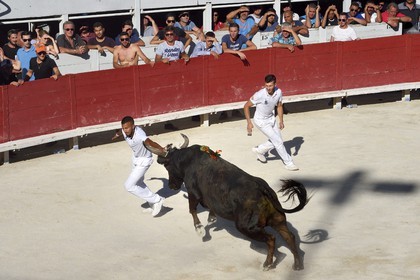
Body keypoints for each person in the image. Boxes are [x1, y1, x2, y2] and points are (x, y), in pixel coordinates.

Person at [112, 116, 166, 217]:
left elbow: (150, 142)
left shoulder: (140, 134)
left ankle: (157, 200)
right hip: (135, 158)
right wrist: (117, 134)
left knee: (129, 185)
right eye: (124, 128)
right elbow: (121, 132)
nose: (125, 130)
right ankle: (153, 203)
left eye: (127, 128)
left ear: (133, 126)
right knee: (139, 183)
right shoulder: (124, 131)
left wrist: (161, 149)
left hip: (145, 160)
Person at [243, 74, 299, 171]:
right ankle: (288, 163)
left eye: (270, 86)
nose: (268, 88)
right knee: (278, 141)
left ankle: (259, 150)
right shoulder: (259, 94)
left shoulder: (279, 92)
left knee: (277, 140)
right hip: (261, 121)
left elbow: (279, 106)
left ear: (275, 84)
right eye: (266, 86)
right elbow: (246, 106)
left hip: (271, 119)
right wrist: (249, 122)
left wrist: (281, 120)